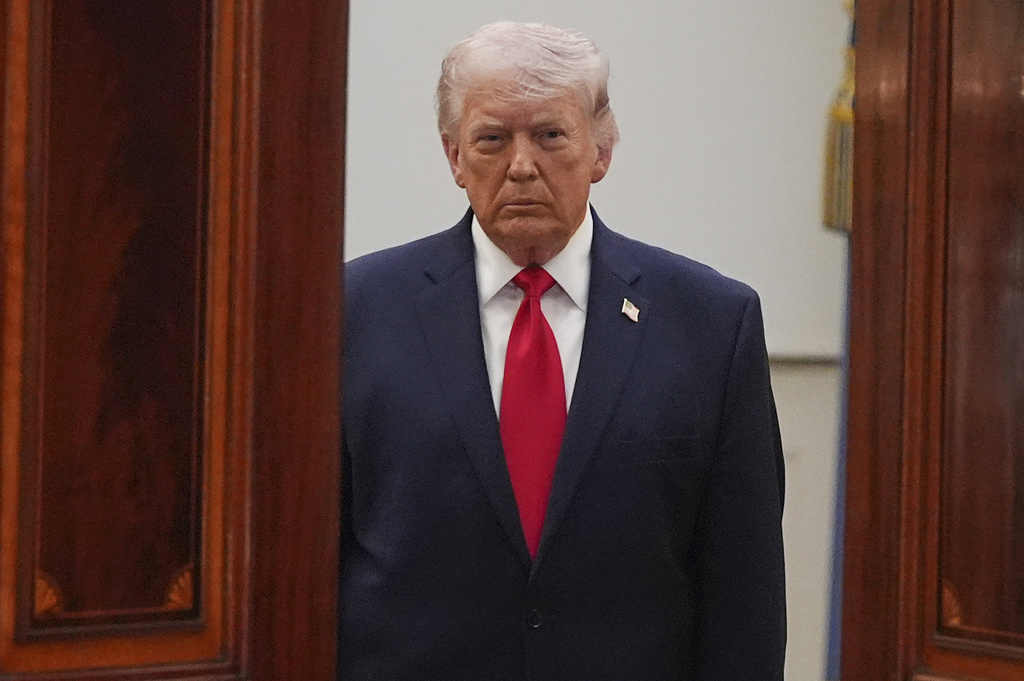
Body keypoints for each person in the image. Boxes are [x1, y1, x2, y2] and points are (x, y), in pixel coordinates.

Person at [340, 21, 786, 680]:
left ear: (602, 150)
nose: (522, 165)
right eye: (492, 139)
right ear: (454, 157)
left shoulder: (712, 324)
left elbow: (744, 597)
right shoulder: (354, 312)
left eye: (550, 135)